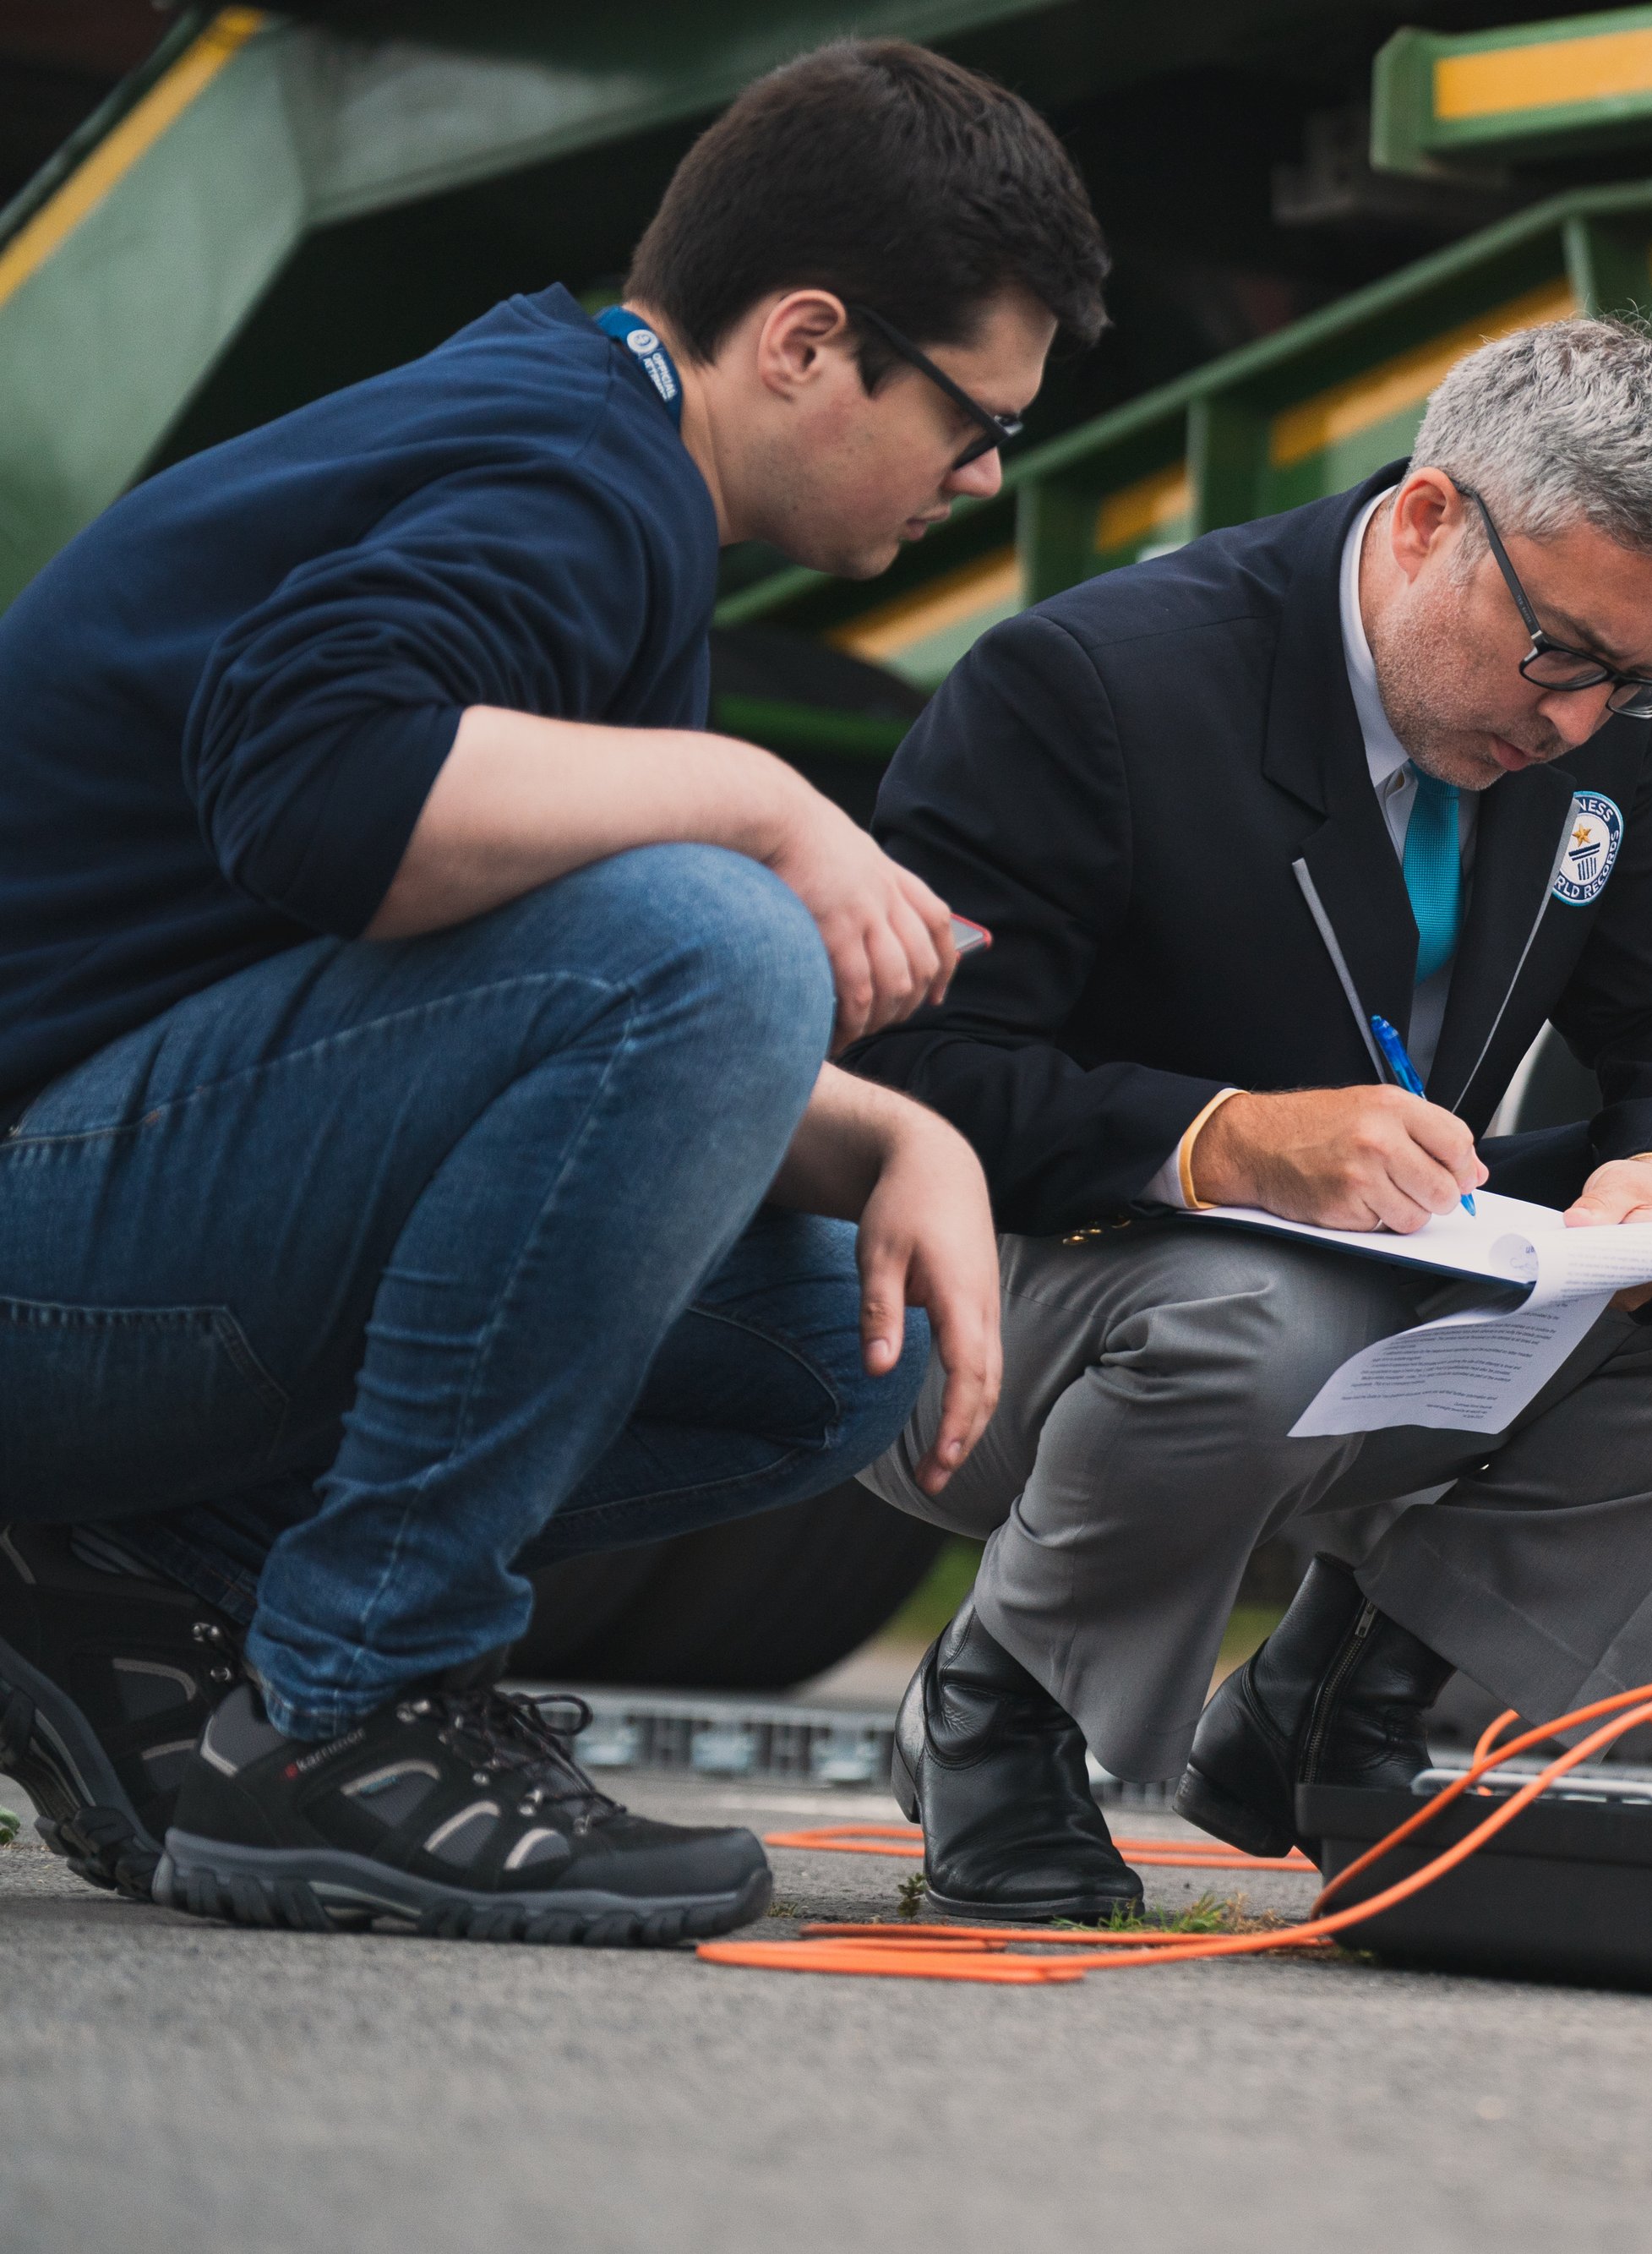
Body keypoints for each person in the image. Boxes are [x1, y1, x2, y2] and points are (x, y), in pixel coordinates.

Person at [0, 40, 1103, 1946]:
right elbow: (316, 776)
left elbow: (489, 1015)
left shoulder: (583, 451)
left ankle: (120, 1584)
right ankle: (354, 1708)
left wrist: (895, 1134)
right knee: (721, 926)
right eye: (969, 415)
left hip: (105, 1215)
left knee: (855, 1336)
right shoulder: (577, 470)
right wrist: (767, 808)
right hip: (42, 1218)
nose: (984, 475)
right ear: (804, 340)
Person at [846, 317, 1652, 1924]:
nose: (1579, 722)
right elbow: (904, 1083)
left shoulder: (1605, 729)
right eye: (1561, 654)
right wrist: (1223, 1140)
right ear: (1428, 522)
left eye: (1642, 676)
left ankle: (1339, 1696)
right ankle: (999, 1709)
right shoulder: (1092, 687)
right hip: (1000, 1319)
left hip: (1372, 1287)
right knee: (1264, 1304)